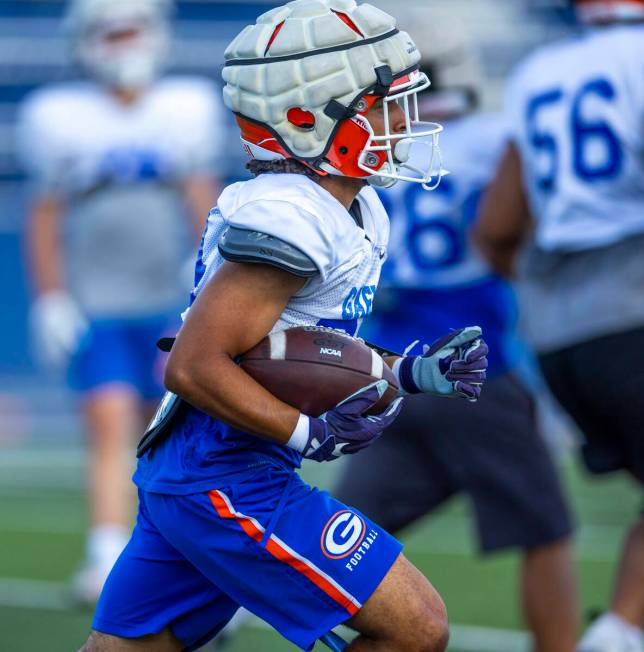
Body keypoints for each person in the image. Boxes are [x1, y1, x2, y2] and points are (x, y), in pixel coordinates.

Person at [79, 1, 489, 650]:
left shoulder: (354, 206)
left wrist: (405, 370)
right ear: (304, 119)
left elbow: (309, 345)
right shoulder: (291, 211)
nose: (404, 121)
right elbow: (194, 364)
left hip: (206, 467)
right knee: (416, 627)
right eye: (381, 103)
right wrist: (309, 432)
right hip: (224, 470)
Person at [334, 14, 579, 652]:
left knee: (343, 540)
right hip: (471, 366)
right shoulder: (493, 139)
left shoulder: (372, 155)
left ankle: (215, 613)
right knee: (545, 530)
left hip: (385, 369)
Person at [18, 0, 222, 602]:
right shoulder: (57, 116)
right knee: (109, 422)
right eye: (110, 32)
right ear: (84, 41)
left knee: (178, 431)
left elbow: (201, 196)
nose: (123, 44)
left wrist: (203, 272)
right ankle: (108, 553)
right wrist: (51, 296)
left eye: (132, 30)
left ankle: (191, 555)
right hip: (99, 299)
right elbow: (45, 214)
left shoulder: (185, 107)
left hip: (169, 300)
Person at [473, 1, 644, 650]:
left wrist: (555, 292)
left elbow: (495, 229)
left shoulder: (540, 69)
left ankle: (620, 628)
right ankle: (621, 632)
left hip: (561, 331)